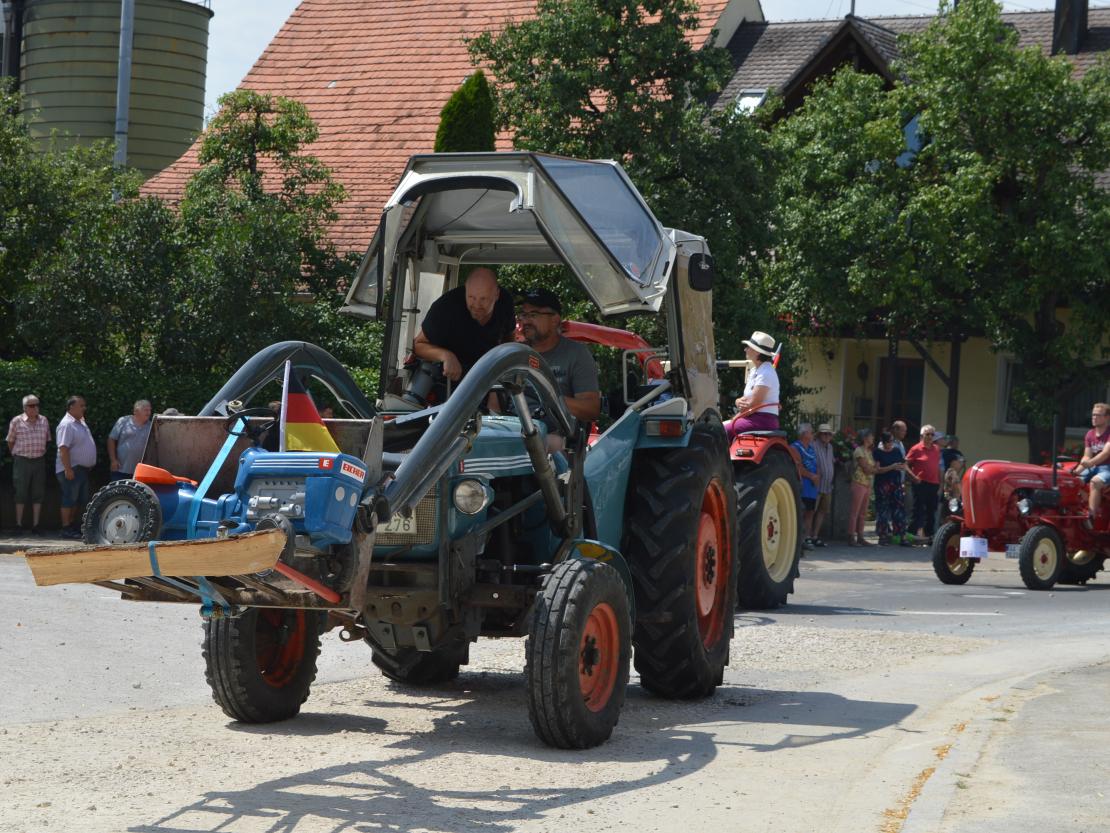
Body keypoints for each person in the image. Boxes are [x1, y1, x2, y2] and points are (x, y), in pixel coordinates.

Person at [517, 287, 601, 452]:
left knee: (544, 443)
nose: (525, 321)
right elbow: (495, 404)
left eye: (533, 315)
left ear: (555, 319)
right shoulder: (515, 353)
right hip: (511, 431)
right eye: (523, 315)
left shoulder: (576, 354)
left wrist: (551, 400)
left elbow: (591, 409)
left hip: (555, 438)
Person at [412, 267, 516, 383]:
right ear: (465, 290)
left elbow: (509, 341)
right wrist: (446, 356)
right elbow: (417, 345)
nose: (477, 305)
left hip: (488, 374)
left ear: (496, 295)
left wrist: (501, 377)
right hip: (448, 376)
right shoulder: (446, 307)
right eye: (471, 297)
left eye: (483, 299)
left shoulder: (505, 302)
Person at [7, 394, 50, 535]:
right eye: (32, 405)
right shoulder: (16, 421)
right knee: (20, 492)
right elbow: (10, 441)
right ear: (25, 407)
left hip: (39, 460)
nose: (36, 407)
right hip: (22, 460)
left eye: (37, 404)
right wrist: (16, 455)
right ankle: (19, 525)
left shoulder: (44, 420)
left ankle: (36, 525)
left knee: (38, 492)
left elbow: (47, 440)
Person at [55, 395, 96, 539]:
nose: (84, 408)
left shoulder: (80, 422)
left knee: (79, 499)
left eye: (84, 405)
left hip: (81, 469)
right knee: (69, 499)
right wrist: (68, 469)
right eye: (81, 405)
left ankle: (72, 526)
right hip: (71, 468)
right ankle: (66, 528)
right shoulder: (67, 424)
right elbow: (63, 448)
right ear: (71, 407)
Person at [726, 331, 780, 439]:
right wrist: (737, 401)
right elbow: (748, 400)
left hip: (763, 420)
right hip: (753, 417)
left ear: (757, 352)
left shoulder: (766, 372)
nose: (745, 349)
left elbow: (753, 405)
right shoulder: (756, 370)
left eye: (748, 347)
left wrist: (734, 420)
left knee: (722, 431)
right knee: (720, 428)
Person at [1076, 402, 1110, 528]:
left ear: (1107, 417)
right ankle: (1079, 509)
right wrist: (1077, 472)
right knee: (1073, 481)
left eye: (1098, 415)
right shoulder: (1090, 434)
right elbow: (1087, 455)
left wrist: (1089, 463)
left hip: (1108, 468)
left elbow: (1106, 454)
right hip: (1093, 466)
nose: (1094, 418)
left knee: (1095, 482)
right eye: (1093, 415)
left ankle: (1091, 516)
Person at [905, 424, 941, 544]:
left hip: (933, 483)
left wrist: (941, 482)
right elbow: (905, 464)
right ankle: (910, 536)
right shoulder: (915, 449)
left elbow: (938, 466)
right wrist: (913, 477)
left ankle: (929, 538)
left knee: (931, 512)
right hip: (920, 483)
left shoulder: (936, 449)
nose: (930, 437)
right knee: (918, 510)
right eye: (927, 434)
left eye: (932, 434)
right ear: (921, 436)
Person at [873, 431, 909, 546]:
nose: (891, 444)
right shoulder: (878, 452)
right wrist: (892, 467)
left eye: (892, 441)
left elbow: (903, 464)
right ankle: (882, 536)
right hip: (882, 484)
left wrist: (905, 470)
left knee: (899, 509)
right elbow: (878, 470)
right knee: (883, 510)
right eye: (889, 441)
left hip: (896, 483)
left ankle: (901, 536)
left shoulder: (896, 451)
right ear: (883, 442)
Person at [791, 423, 820, 551]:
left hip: (812, 487)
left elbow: (816, 464)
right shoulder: (795, 447)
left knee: (810, 513)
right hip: (803, 486)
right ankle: (796, 541)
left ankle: (805, 539)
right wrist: (812, 476)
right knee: (800, 513)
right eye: (811, 432)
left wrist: (817, 476)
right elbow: (797, 467)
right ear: (804, 434)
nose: (813, 434)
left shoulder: (811, 448)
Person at [108, 399, 153, 481]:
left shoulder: (151, 426)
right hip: (120, 469)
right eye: (146, 410)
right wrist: (113, 460)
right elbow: (111, 439)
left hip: (140, 472)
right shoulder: (123, 421)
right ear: (136, 411)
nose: (149, 413)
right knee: (118, 493)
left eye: (150, 410)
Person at [848, 428, 877, 546]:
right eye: (871, 436)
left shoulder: (869, 452)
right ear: (865, 438)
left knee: (863, 512)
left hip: (867, 484)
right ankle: (850, 537)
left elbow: (873, 468)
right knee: (855, 512)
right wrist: (874, 469)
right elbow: (866, 468)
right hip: (859, 483)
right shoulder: (859, 451)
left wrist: (874, 469)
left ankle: (860, 536)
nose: (873, 438)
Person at [811, 423, 835, 547]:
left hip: (827, 485)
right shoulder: (813, 445)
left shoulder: (830, 447)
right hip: (815, 484)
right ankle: (807, 537)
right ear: (819, 434)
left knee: (822, 511)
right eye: (824, 433)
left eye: (829, 434)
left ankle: (815, 536)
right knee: (811, 511)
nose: (827, 436)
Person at [941, 455, 965, 521]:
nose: (961, 465)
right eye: (959, 462)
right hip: (952, 501)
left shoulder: (953, 473)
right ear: (953, 462)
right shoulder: (952, 472)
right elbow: (950, 487)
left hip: (952, 500)